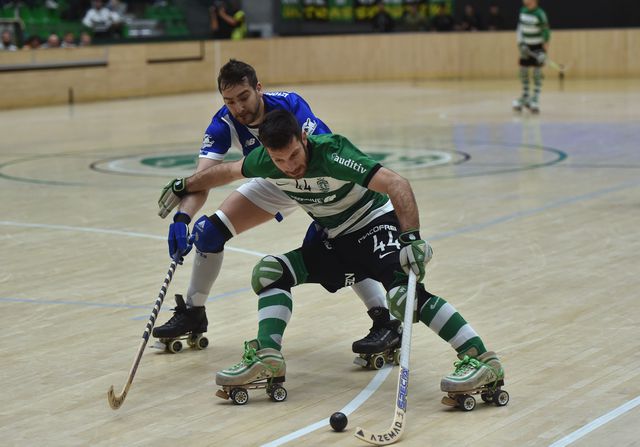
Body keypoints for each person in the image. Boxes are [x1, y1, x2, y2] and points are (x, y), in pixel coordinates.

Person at [158, 110, 506, 404]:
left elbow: (397, 183)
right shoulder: (266, 160)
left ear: (303, 139)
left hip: (374, 224)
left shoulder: (334, 152)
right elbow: (227, 171)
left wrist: (411, 238)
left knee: (404, 297)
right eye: (279, 160)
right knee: (269, 273)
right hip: (337, 240)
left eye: (294, 155)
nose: (289, 167)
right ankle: (268, 357)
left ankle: (482, 360)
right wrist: (184, 185)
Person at [153, 60, 399, 362]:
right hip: (274, 179)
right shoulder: (223, 124)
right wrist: (182, 218)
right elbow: (202, 178)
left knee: (343, 239)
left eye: (243, 97)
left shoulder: (290, 106)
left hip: (312, 176)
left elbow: (317, 157)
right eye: (229, 101)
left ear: (258, 88)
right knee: (209, 234)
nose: (238, 108)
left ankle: (385, 319)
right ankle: (194, 312)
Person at [513, 0, 550, 114]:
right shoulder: (522, 11)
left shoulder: (540, 14)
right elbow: (520, 29)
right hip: (526, 47)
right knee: (523, 71)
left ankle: (535, 99)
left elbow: (546, 32)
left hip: (537, 46)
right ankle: (525, 96)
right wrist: (520, 44)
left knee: (537, 73)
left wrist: (544, 52)